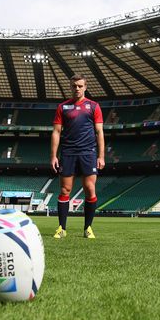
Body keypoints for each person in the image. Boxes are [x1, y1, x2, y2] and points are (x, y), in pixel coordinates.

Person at [50, 75, 105, 239]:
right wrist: (53, 156)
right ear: (70, 87)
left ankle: (88, 228)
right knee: (65, 189)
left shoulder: (93, 106)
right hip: (68, 152)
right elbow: (56, 132)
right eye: (74, 86)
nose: (77, 88)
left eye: (80, 86)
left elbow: (99, 132)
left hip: (88, 152)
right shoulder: (62, 107)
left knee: (90, 189)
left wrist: (101, 156)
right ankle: (62, 228)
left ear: (85, 87)